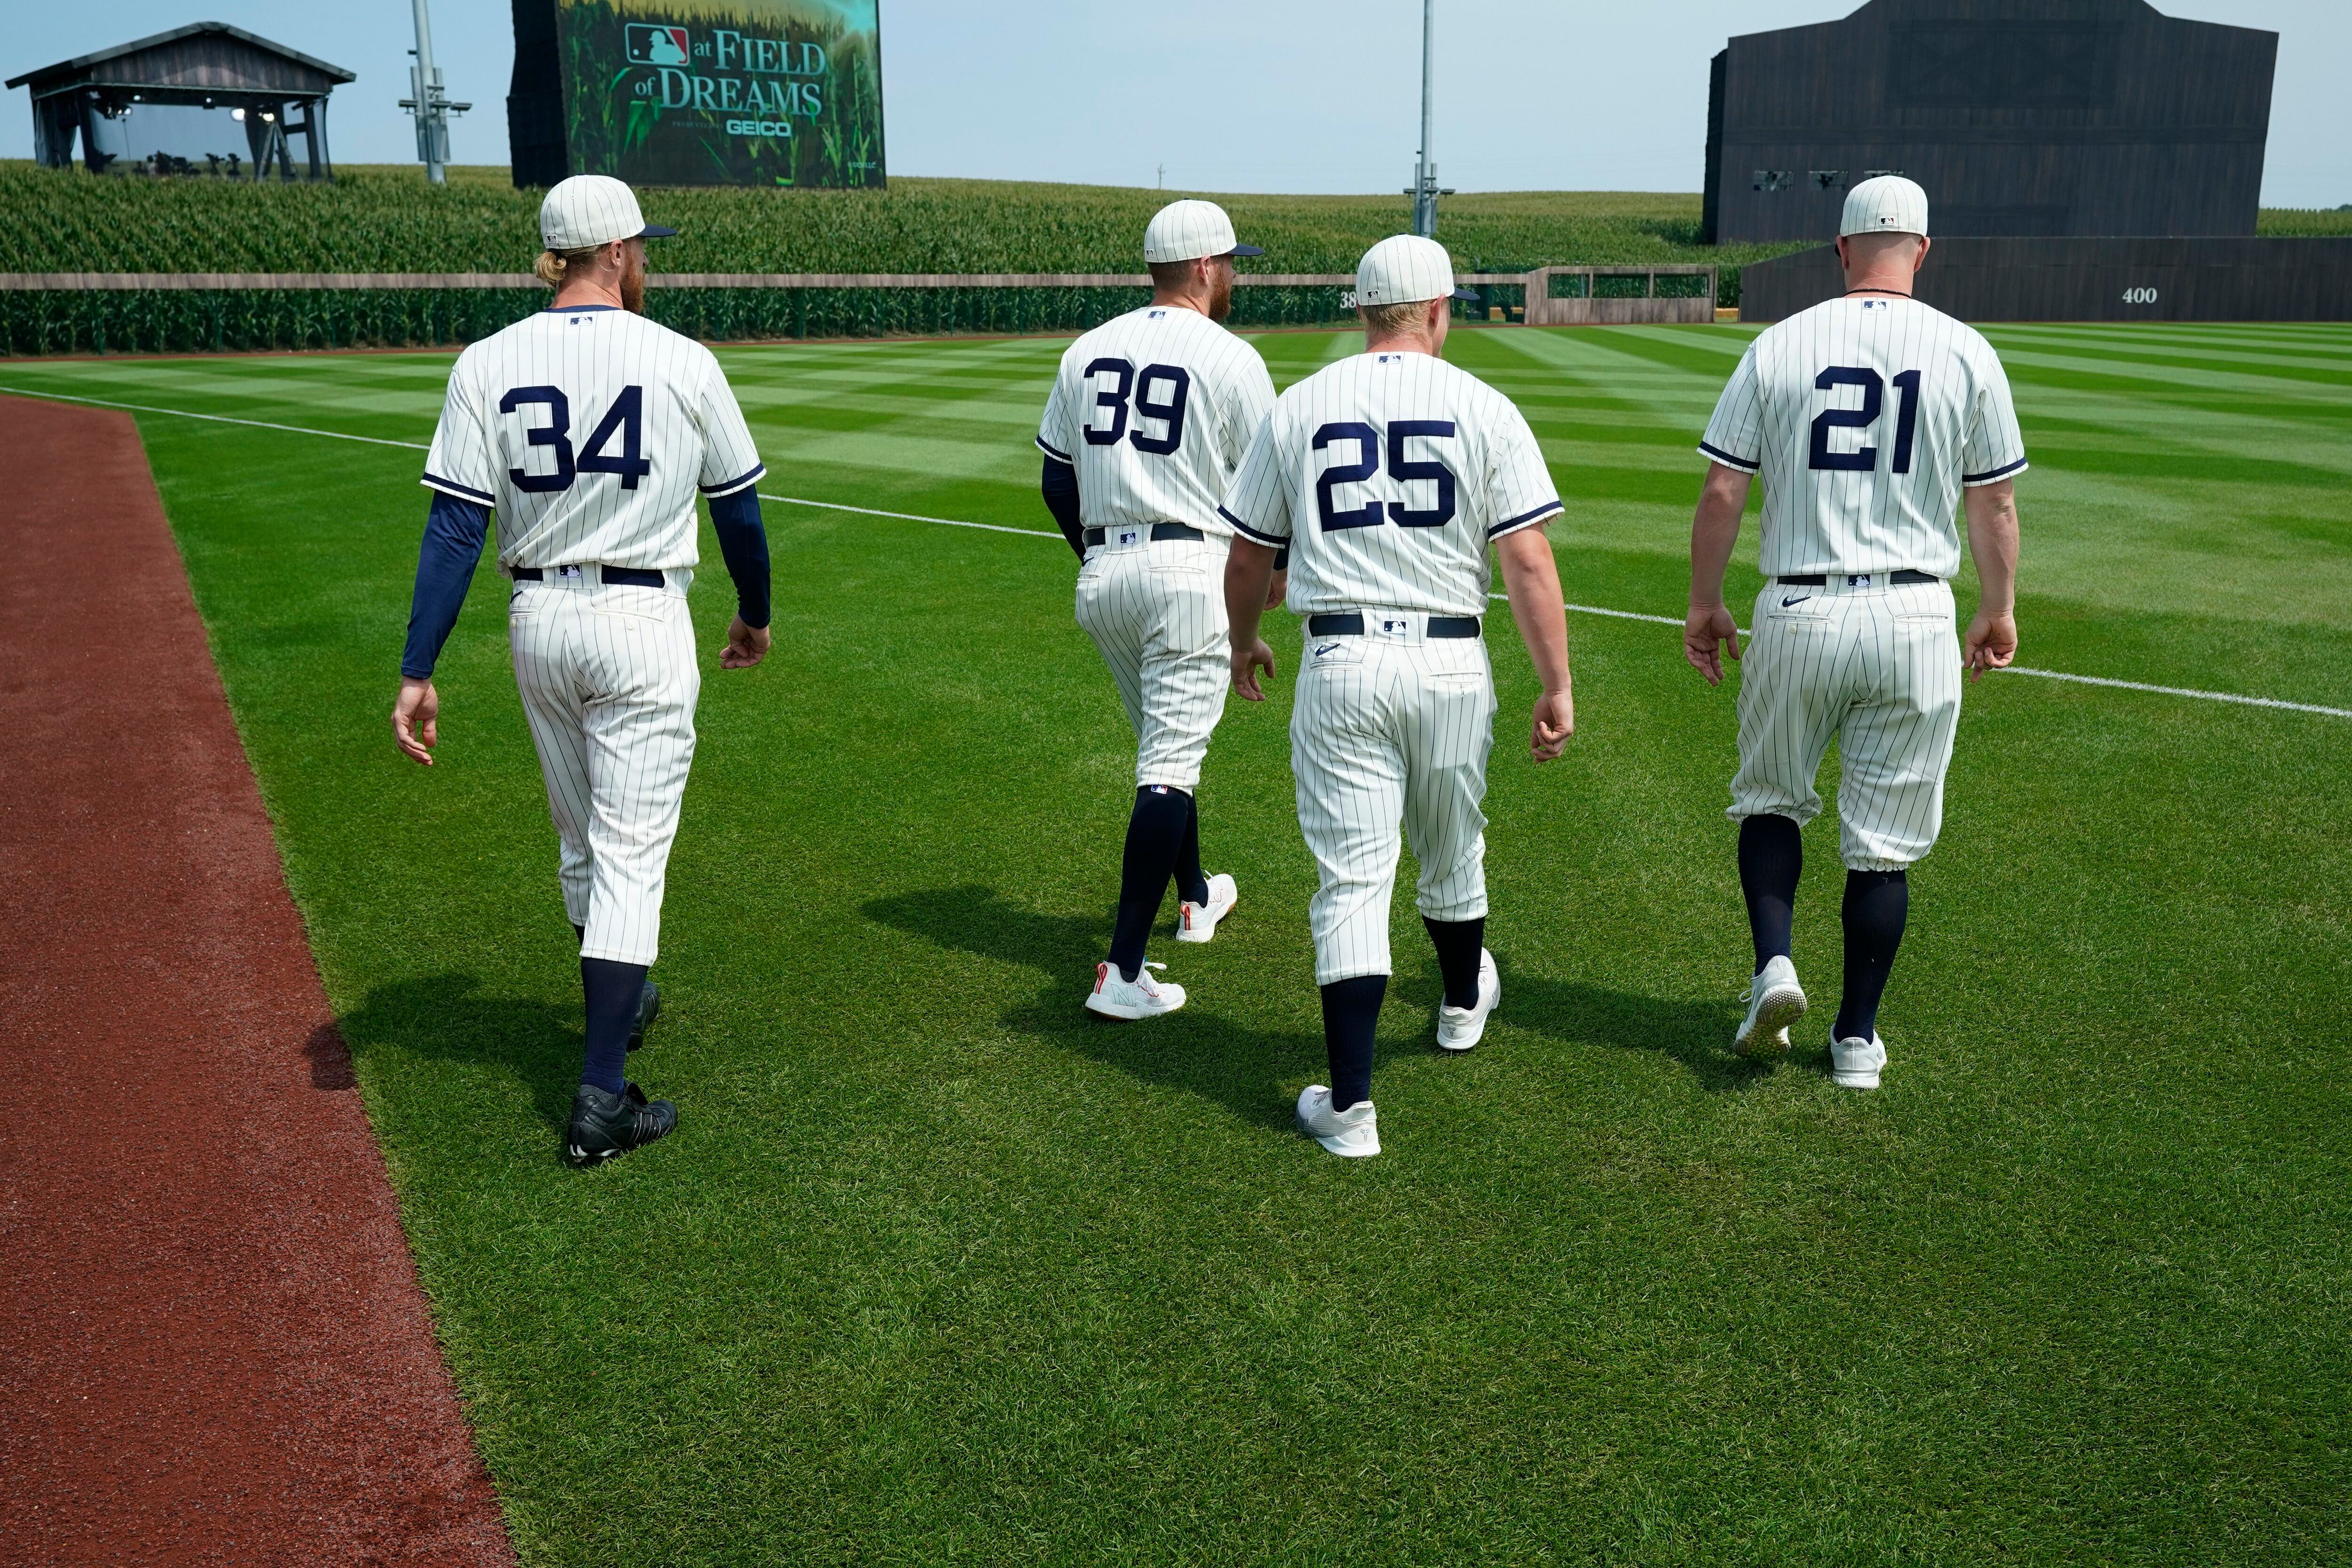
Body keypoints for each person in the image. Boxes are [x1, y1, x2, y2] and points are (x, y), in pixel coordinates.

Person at [392, 174, 774, 1164]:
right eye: (641, 247)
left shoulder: (487, 360)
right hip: (643, 617)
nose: (646, 260)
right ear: (614, 253)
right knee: (631, 853)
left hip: (539, 617)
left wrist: (418, 665)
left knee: (581, 838)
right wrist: (755, 613)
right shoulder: (682, 358)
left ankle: (622, 994)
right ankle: (602, 1095)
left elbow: (454, 525)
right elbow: (737, 507)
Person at [1220, 234, 1574, 1158]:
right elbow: (1527, 557)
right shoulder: (1483, 403)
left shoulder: (1301, 404)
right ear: (1439, 310)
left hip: (1340, 661)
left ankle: (1350, 1106)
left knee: (1353, 878)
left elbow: (1250, 554)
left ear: (1363, 310)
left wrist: (1243, 637)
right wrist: (1556, 681)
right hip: (1451, 657)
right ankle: (1460, 1003)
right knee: (1453, 846)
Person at [1684, 174, 2026, 1090]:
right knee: (1881, 844)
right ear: (1922, 248)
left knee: (1769, 798)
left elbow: (1724, 489)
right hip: (1916, 613)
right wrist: (1996, 607)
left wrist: (1703, 602)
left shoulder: (1779, 344)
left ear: (1840, 250)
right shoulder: (1965, 351)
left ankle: (1774, 965)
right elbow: (1992, 500)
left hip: (1798, 606)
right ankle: (1856, 1041)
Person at [1035, 199, 1281, 1021]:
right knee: (1169, 764)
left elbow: (1056, 480)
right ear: (1207, 268)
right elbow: (1269, 493)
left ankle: (1198, 897)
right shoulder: (1232, 357)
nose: (1234, 274)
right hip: (1190, 572)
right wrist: (1272, 578)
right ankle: (1123, 970)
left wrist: (1102, 556)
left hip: (1104, 574)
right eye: (1231, 262)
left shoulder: (1086, 348)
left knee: (1165, 747)